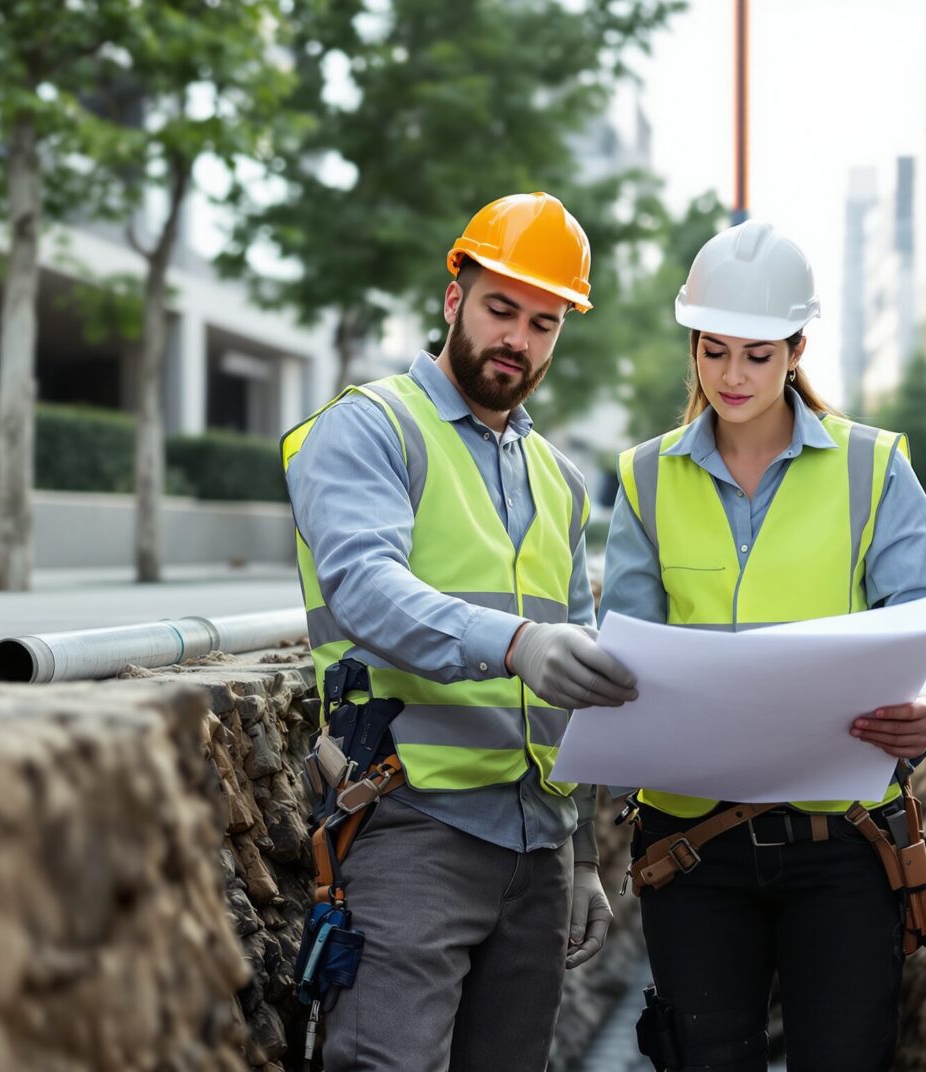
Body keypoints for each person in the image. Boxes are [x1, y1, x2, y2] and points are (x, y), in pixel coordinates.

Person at [600, 219, 926, 1071]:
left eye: (759, 355)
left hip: (842, 846)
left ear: (798, 349)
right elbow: (627, 654)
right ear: (692, 345)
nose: (733, 375)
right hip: (691, 850)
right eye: (715, 350)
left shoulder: (872, 467)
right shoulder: (646, 478)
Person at [281, 191, 639, 1072]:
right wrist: (516, 643)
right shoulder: (370, 429)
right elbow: (365, 588)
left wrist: (585, 852)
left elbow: (577, 687)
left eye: (544, 322)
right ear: (454, 300)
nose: (518, 338)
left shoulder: (557, 480)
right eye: (500, 309)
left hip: (538, 850)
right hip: (412, 830)